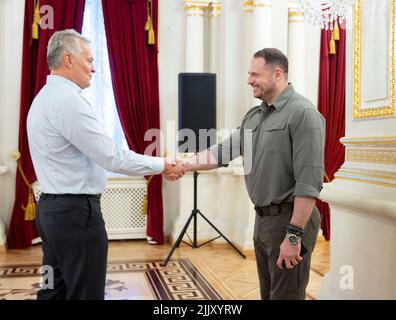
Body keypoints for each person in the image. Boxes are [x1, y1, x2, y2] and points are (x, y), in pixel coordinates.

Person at [27, 29, 184, 300]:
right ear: (68, 59)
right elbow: (112, 156)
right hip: (76, 216)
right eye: (88, 60)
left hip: (51, 212)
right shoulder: (68, 102)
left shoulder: (43, 98)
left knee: (53, 292)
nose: (94, 68)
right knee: (86, 293)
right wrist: (162, 164)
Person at [181, 48, 325, 300]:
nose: (249, 80)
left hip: (290, 220)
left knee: (286, 296)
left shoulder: (303, 114)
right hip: (264, 221)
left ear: (277, 74)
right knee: (268, 295)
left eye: (254, 74)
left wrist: (293, 237)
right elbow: (221, 152)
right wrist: (182, 164)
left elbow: (308, 184)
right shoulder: (255, 115)